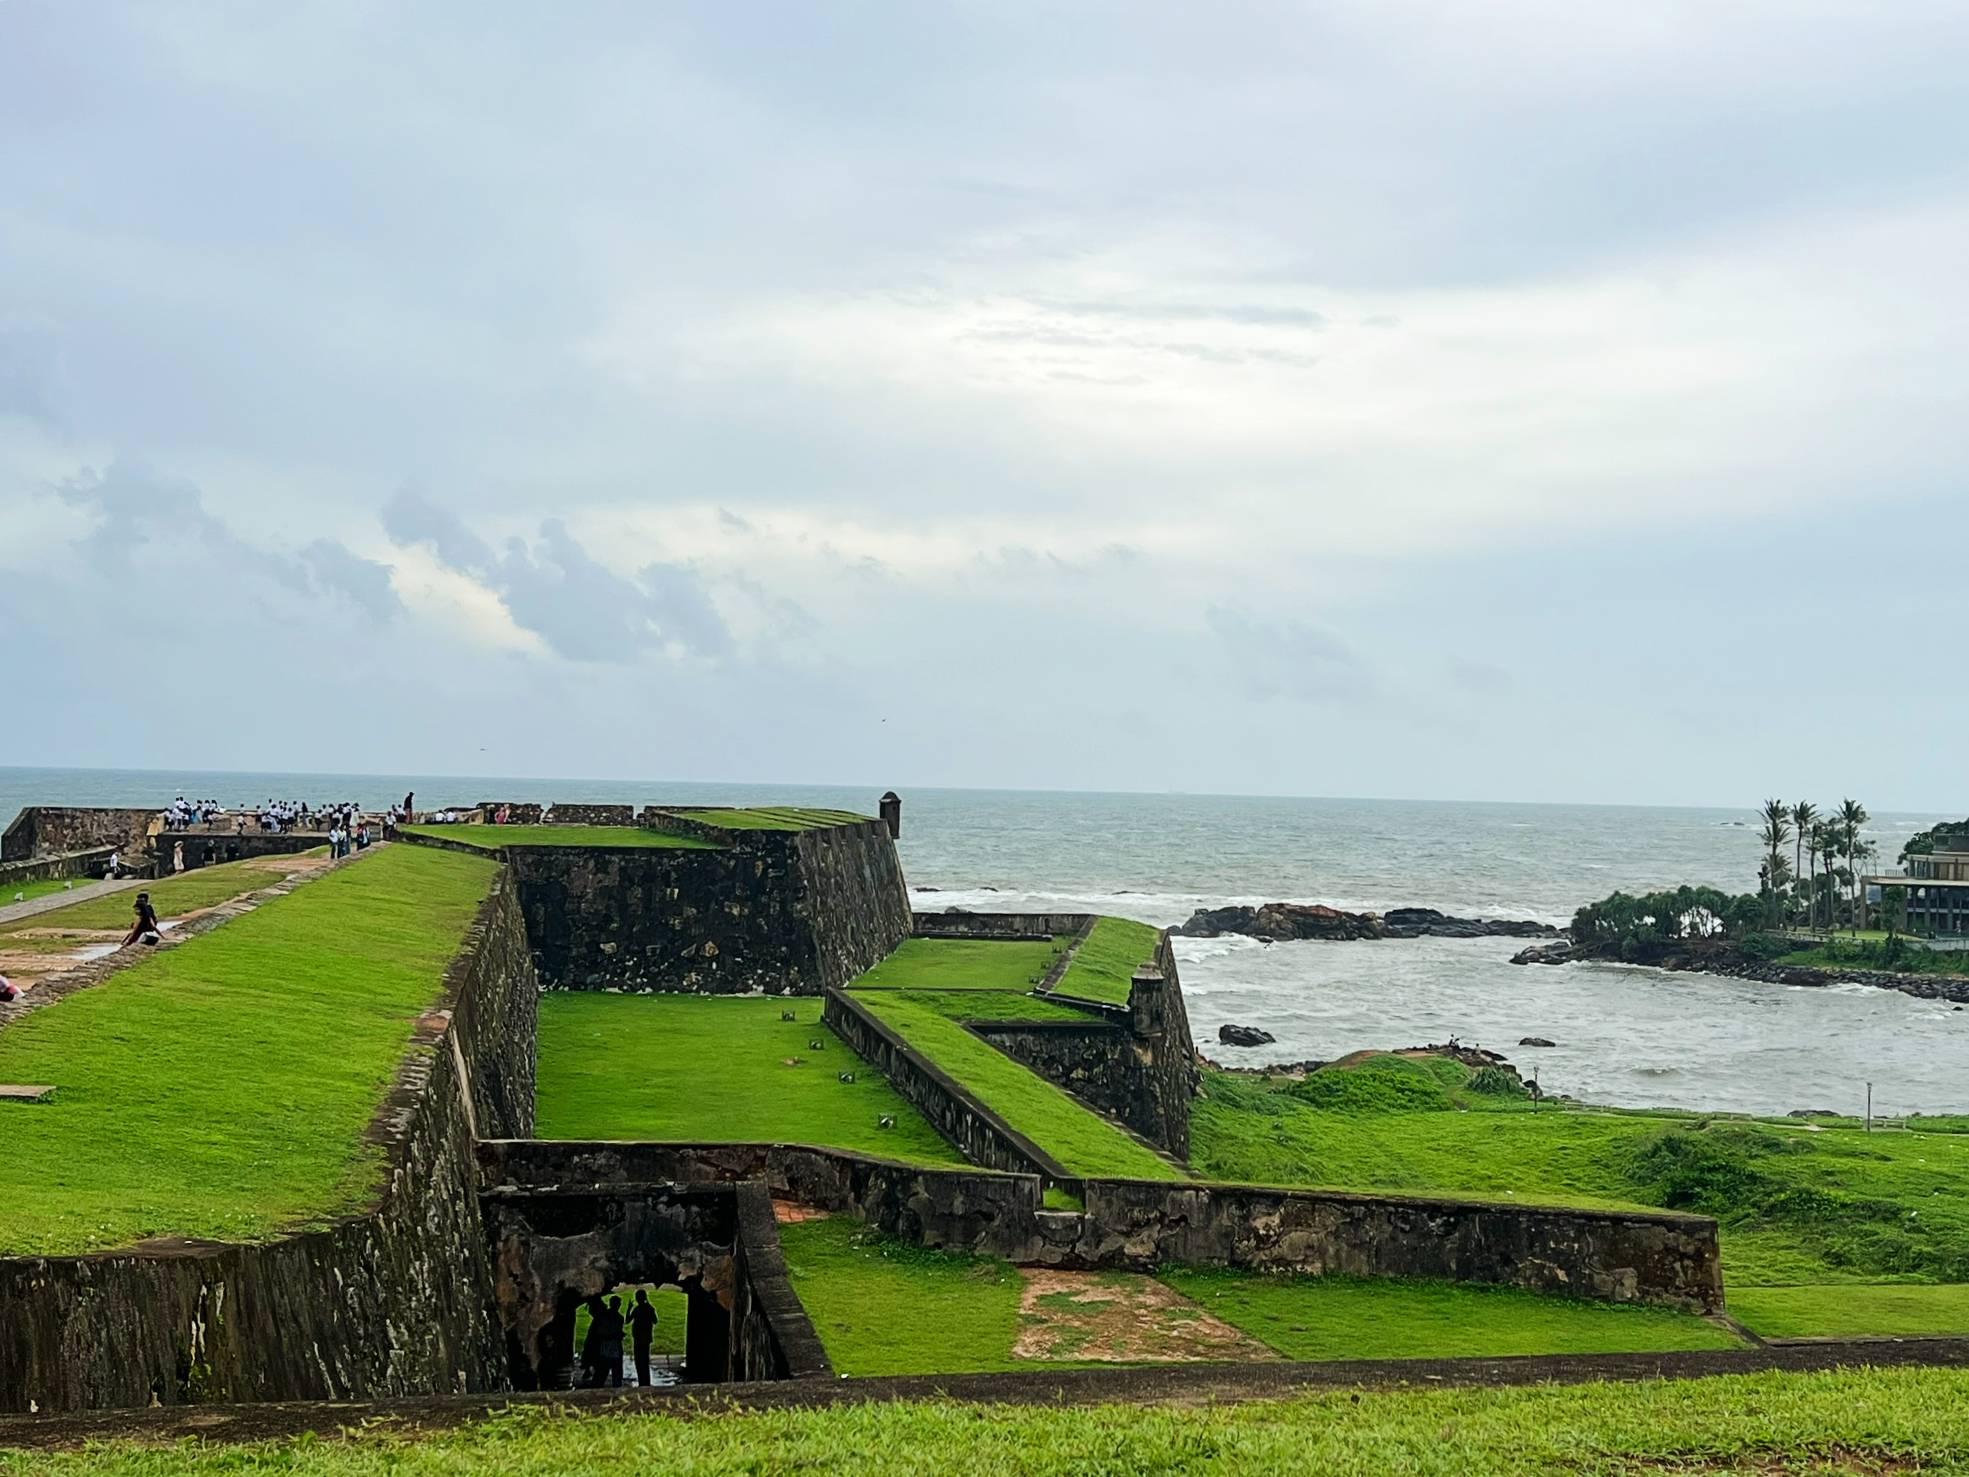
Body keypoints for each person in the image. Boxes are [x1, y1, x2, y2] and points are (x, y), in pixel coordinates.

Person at [627, 1289, 659, 1386]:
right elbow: (655, 1321)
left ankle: (642, 1381)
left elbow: (627, 1320)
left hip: (637, 1337)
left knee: (639, 1361)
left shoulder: (637, 1309)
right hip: (646, 1337)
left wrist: (629, 1308)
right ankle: (646, 1382)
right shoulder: (649, 1308)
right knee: (645, 1360)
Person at [597, 1295, 626, 1388]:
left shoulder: (605, 1316)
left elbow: (600, 1332)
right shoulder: (619, 1318)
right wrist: (616, 1335)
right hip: (612, 1348)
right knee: (615, 1373)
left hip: (607, 1348)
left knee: (603, 1373)